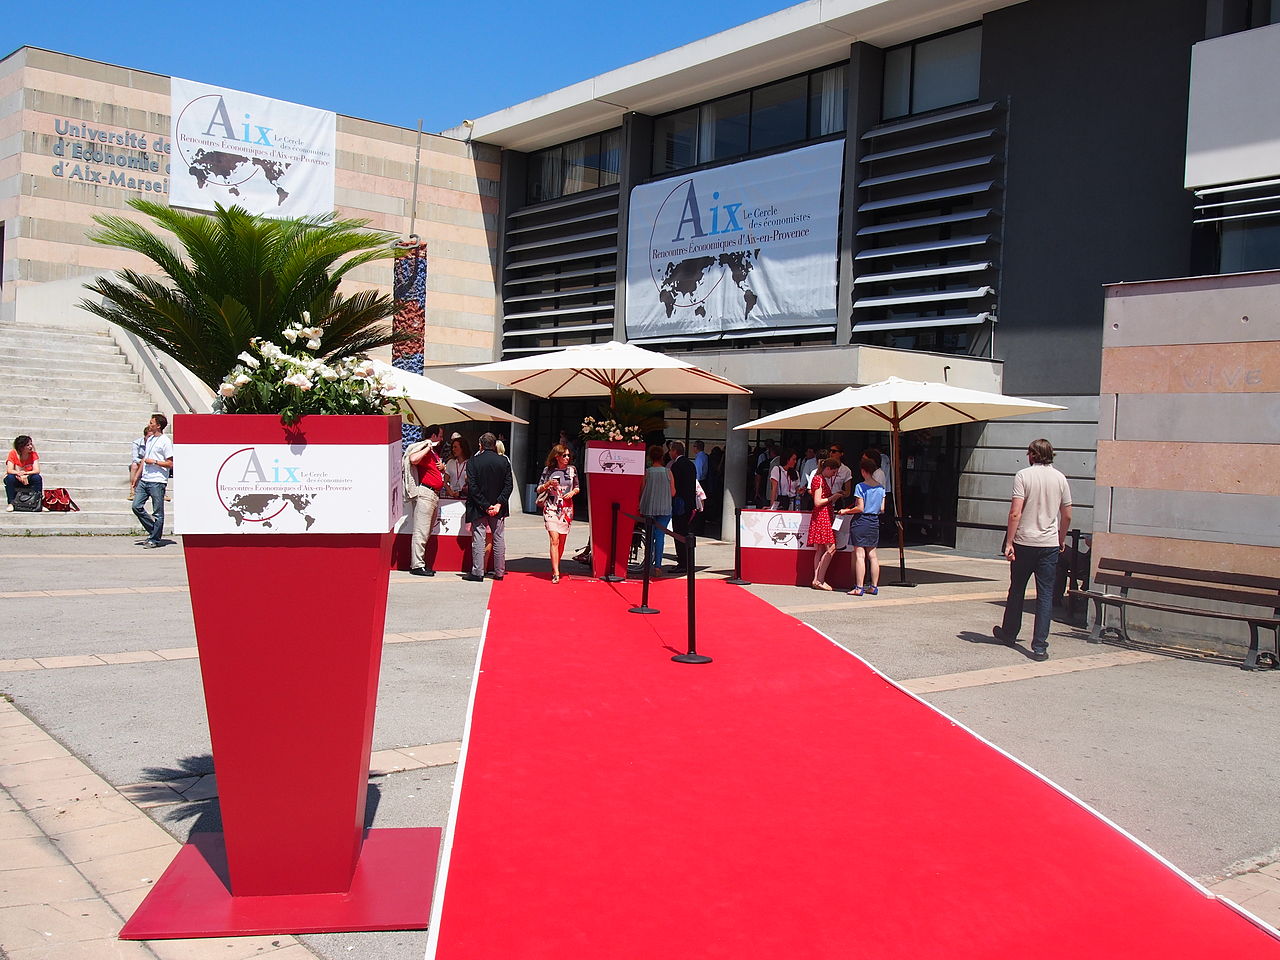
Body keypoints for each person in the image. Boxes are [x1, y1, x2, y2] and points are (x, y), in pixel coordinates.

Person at [994, 438, 1073, 661]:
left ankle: (1009, 633)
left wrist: (1009, 542)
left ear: (1032, 454)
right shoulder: (1060, 478)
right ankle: (1039, 646)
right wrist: (1061, 538)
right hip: (1049, 544)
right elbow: (1067, 514)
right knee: (1045, 595)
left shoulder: (1023, 475)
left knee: (1017, 589)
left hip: (1024, 541)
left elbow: (1015, 513)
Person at [463, 432, 513, 582]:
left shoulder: (473, 462)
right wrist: (498, 504)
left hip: (479, 506)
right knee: (499, 538)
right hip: (498, 507)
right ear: (494, 445)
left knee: (479, 538)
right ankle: (499, 572)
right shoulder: (504, 462)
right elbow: (508, 485)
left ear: (480, 445)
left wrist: (485, 506)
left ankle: (478, 572)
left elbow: (472, 487)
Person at [839, 455, 886, 596]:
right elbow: (882, 508)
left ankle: (859, 587)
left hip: (861, 521)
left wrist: (846, 511)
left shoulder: (860, 486)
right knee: (872, 554)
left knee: (860, 555)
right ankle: (874, 586)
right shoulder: (881, 488)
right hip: (874, 521)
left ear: (864, 471)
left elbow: (860, 507)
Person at [404, 423, 445, 577]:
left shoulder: (433, 453)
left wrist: (442, 468)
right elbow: (413, 459)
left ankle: (420, 563)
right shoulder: (424, 448)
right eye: (440, 436)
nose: (441, 439)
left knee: (425, 531)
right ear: (433, 436)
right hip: (426, 493)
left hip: (433, 495)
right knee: (421, 531)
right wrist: (428, 446)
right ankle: (417, 565)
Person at [536, 443, 579, 583]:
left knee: (561, 541)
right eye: (564, 455)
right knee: (554, 539)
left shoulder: (572, 470)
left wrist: (572, 492)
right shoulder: (548, 470)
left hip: (566, 508)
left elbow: (577, 487)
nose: (567, 458)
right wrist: (548, 484)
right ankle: (556, 572)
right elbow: (538, 489)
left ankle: (556, 563)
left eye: (568, 455)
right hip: (551, 507)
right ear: (557, 456)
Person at [132, 414, 172, 547]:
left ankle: (154, 539)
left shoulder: (165, 441)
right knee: (136, 506)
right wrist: (137, 476)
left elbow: (170, 463)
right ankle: (154, 530)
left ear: (158, 426)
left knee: (158, 512)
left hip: (157, 480)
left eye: (151, 423)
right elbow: (144, 459)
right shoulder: (149, 440)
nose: (149, 425)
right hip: (145, 479)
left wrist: (154, 462)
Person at [638, 444, 674, 575]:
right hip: (665, 508)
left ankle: (648, 563)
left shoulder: (647, 472)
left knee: (650, 536)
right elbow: (673, 492)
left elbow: (642, 490)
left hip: (649, 508)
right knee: (660, 537)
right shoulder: (668, 472)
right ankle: (658, 566)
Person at [807, 458, 840, 590]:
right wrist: (833, 498)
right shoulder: (819, 479)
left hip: (821, 516)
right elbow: (818, 502)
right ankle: (819, 579)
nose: (834, 474)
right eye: (833, 472)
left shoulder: (818, 479)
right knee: (831, 548)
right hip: (823, 516)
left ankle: (816, 579)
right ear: (827, 468)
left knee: (820, 549)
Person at [667, 440, 697, 575]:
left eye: (670, 450)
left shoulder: (676, 466)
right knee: (686, 532)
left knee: (678, 533)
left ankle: (682, 563)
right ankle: (688, 561)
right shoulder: (691, 464)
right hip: (690, 503)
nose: (669, 453)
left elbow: (674, 487)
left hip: (679, 504)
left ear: (675, 451)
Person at [5, 435, 42, 511]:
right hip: (16, 477)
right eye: (27, 445)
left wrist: (25, 474)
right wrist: (19, 474)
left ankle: (38, 502)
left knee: (37, 477)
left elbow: (37, 470)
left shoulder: (33, 454)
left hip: (27, 478)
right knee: (10, 478)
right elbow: (9, 470)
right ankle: (11, 503)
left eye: (31, 444)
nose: (30, 446)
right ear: (21, 447)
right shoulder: (13, 453)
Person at [128, 421, 154, 501]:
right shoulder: (137, 443)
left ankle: (162, 493)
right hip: (140, 463)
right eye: (148, 437)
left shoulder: (155, 443)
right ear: (145, 436)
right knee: (134, 465)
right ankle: (132, 490)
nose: (150, 439)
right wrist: (144, 461)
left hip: (152, 463)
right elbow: (135, 458)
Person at [442, 435, 471, 500]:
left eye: (455, 447)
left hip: (465, 498)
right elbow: (445, 482)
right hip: (451, 497)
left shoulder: (470, 463)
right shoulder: (450, 462)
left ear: (463, 448)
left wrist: (461, 493)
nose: (453, 449)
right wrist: (450, 492)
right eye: (452, 447)